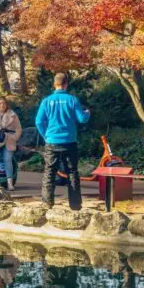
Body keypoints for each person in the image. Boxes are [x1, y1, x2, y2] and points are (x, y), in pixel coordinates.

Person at [36, 73, 90, 210]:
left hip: (52, 142)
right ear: (66, 84)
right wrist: (87, 113)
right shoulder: (72, 100)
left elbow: (38, 121)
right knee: (72, 172)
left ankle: (47, 204)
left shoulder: (46, 101)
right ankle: (75, 205)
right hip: (69, 142)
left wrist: (45, 136)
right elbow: (82, 119)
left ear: (54, 84)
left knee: (49, 172)